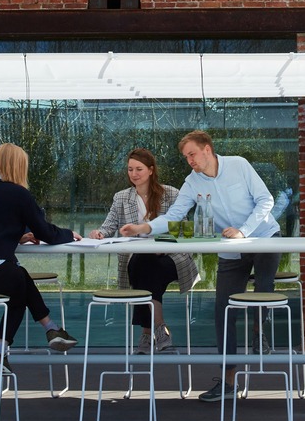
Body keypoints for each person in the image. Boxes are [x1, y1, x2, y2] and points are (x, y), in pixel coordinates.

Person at [121, 130, 280, 403]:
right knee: (223, 310)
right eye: (185, 157)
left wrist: (243, 231)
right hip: (230, 248)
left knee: (263, 289)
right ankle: (229, 383)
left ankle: (259, 333)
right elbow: (174, 215)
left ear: (208, 150)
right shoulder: (191, 182)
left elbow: (266, 201)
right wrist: (144, 227)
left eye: (192, 154)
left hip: (263, 236)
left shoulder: (239, 165)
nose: (189, 161)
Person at [0, 143, 80, 362]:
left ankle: (51, 328)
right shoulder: (19, 194)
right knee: (18, 288)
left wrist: (15, 237)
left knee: (19, 276)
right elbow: (46, 233)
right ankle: (0, 351)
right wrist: (70, 234)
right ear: (19, 166)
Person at [90, 148, 198, 353]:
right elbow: (108, 227)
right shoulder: (121, 197)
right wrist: (98, 233)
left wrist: (160, 247)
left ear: (151, 170)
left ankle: (147, 335)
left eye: (139, 169)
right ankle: (160, 330)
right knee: (145, 264)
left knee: (147, 267)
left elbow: (182, 231)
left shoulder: (172, 194)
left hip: (171, 258)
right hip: (139, 261)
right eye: (130, 169)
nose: (133, 174)